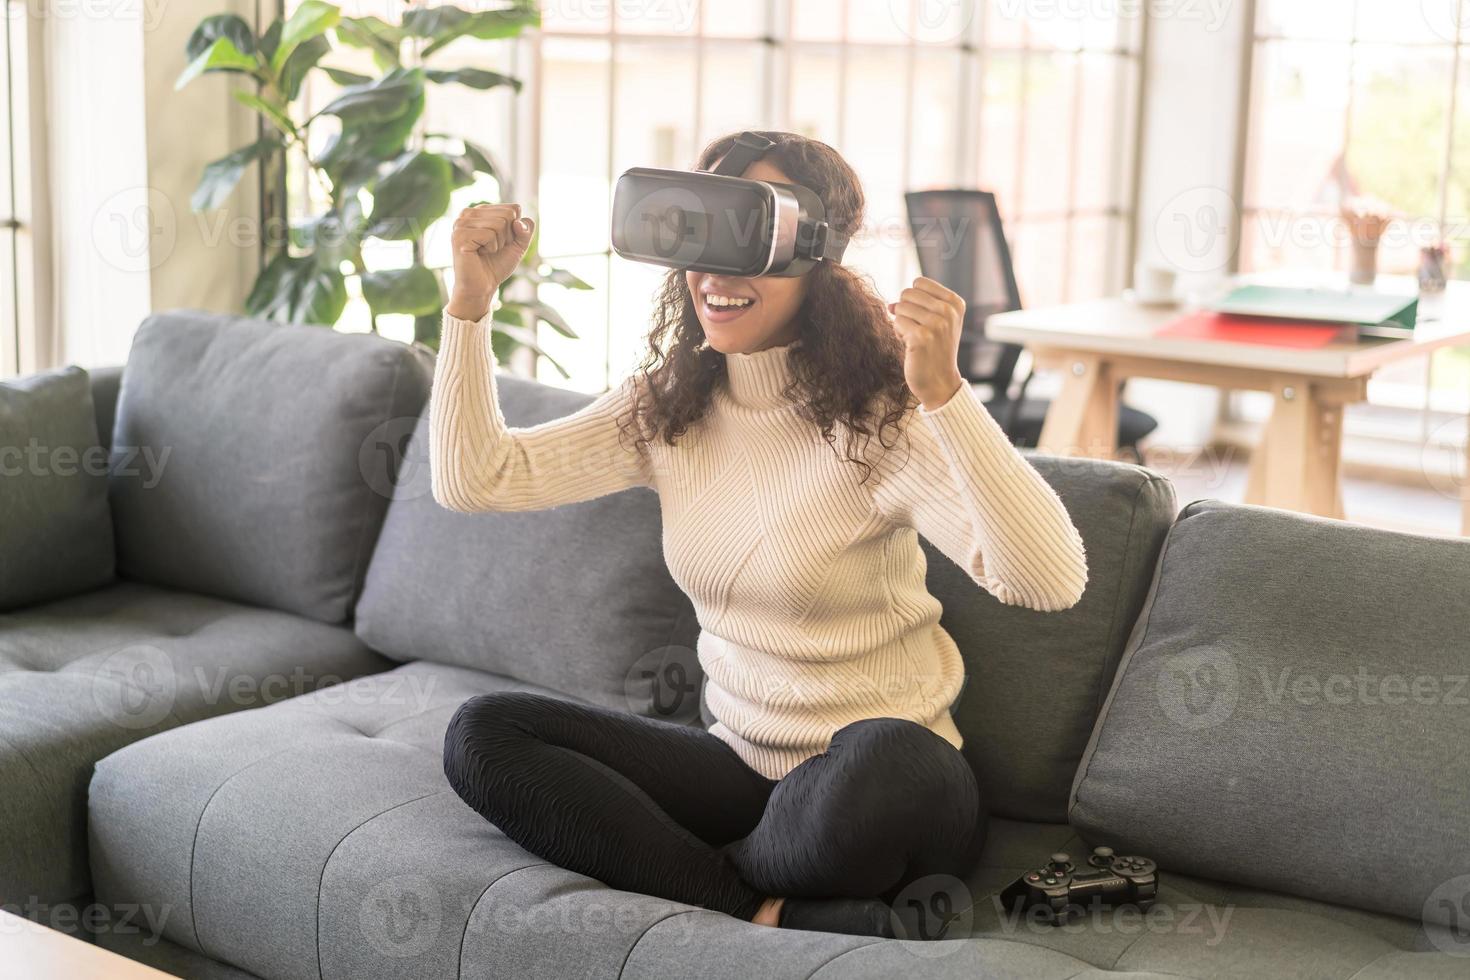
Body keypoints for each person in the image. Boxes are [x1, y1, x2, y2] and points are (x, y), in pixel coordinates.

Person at [431, 131, 1088, 939]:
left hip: (881, 785)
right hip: (743, 768)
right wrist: (468, 306)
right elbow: (475, 478)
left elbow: (1051, 580)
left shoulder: (880, 424)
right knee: (484, 733)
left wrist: (946, 395)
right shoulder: (666, 409)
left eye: (745, 238)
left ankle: (697, 872)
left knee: (888, 758)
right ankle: (759, 907)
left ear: (817, 253)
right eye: (697, 236)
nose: (714, 273)